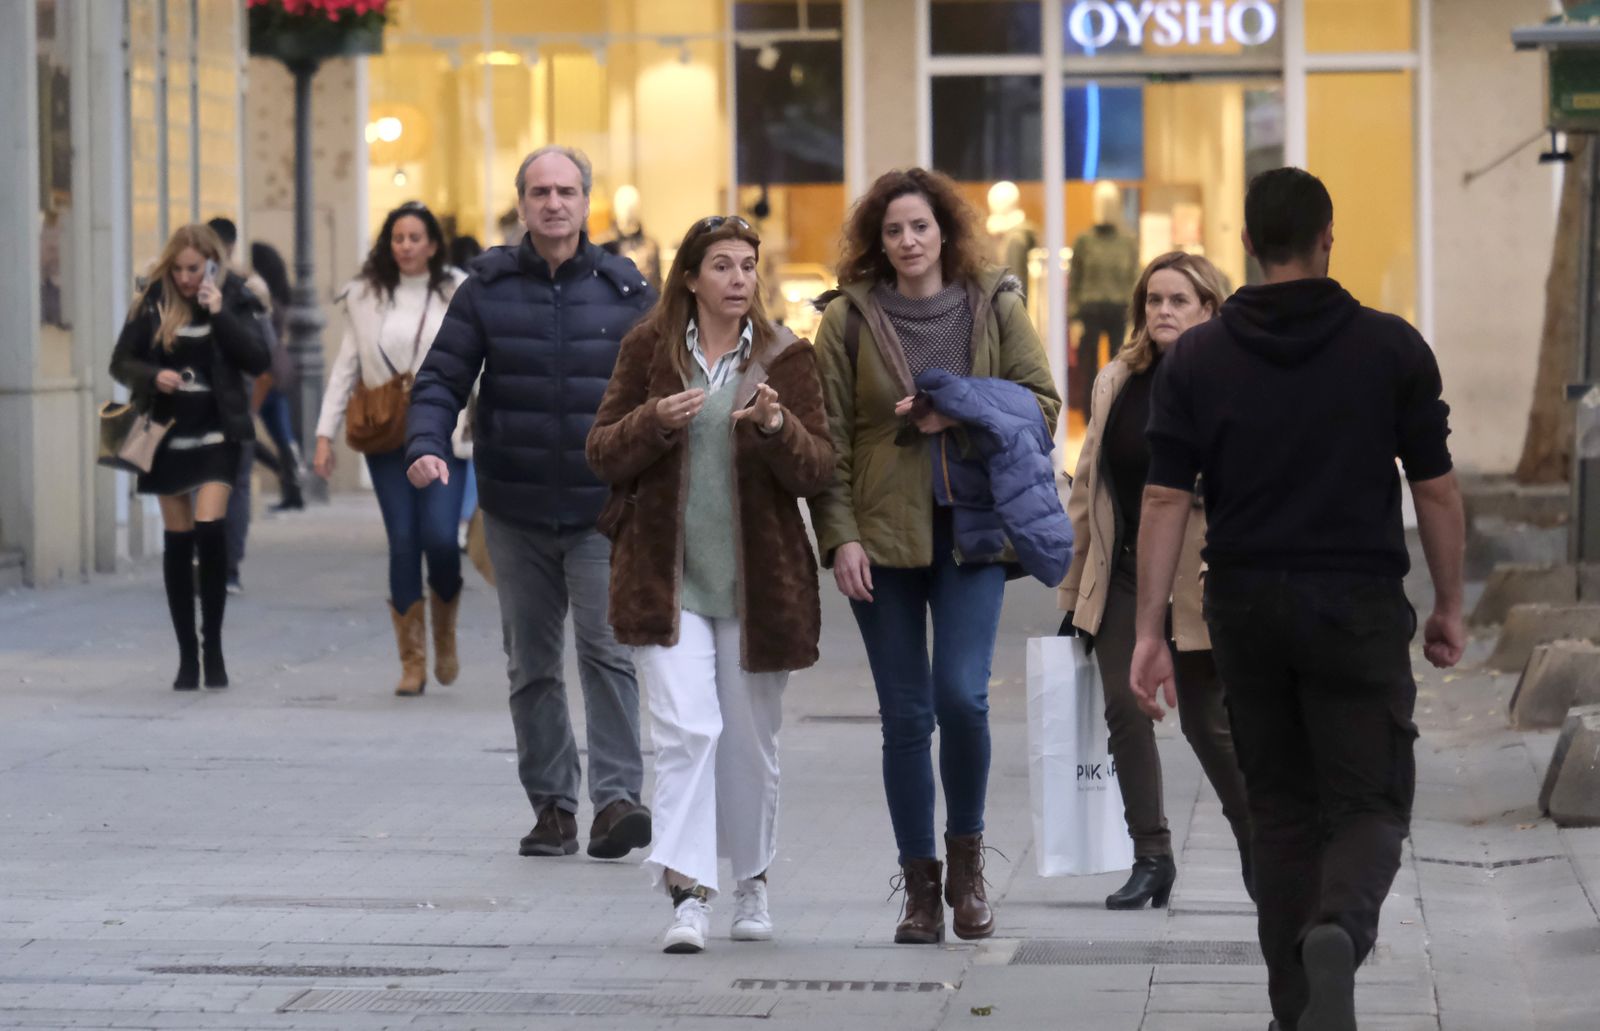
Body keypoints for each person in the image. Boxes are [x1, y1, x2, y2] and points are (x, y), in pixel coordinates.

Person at [1129, 168, 1465, 1031]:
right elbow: (1434, 488)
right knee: (1371, 798)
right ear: (1327, 238)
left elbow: (1163, 499)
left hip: (1245, 607)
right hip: (1356, 605)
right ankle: (1340, 930)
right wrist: (1449, 605)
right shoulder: (1391, 348)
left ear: (1247, 244)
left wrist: (1149, 629)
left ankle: (1296, 1010)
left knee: (1279, 809)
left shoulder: (1197, 358)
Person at [810, 168, 1061, 945]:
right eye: (893, 230)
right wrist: (840, 536)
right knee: (905, 717)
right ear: (877, 241)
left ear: (945, 230)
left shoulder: (995, 302)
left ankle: (968, 868)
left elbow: (1042, 407)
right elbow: (828, 439)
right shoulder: (846, 319)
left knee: (963, 697)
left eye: (920, 226)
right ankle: (920, 887)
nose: (908, 241)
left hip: (972, 531)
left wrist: (955, 410)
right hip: (879, 538)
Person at [587, 214, 834, 954]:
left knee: (748, 744)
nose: (738, 279)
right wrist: (653, 420)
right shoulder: (648, 348)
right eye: (722, 265)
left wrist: (777, 428)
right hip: (666, 582)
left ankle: (752, 880)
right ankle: (688, 893)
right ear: (691, 277)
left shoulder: (786, 356)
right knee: (686, 732)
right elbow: (601, 451)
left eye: (747, 266)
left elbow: (817, 469)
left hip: (758, 589)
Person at [406, 145, 659, 860]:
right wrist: (425, 441)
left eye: (566, 191)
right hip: (514, 509)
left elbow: (666, 385)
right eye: (540, 192)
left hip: (601, 509)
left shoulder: (625, 290)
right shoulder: (486, 289)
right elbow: (440, 379)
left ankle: (617, 800)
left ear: (586, 203)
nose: (553, 203)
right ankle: (553, 806)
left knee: (607, 652)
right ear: (522, 204)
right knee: (532, 664)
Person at [1058, 252, 1252, 911]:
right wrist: (1074, 587)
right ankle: (1151, 855)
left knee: (1207, 722)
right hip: (1123, 574)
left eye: (1179, 300)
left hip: (1200, 579)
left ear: (1209, 308)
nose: (1163, 311)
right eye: (1153, 300)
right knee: (1124, 708)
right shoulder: (1117, 379)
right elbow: (1089, 484)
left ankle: (1262, 846)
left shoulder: (1234, 378)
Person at [313, 202, 468, 697]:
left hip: (445, 431)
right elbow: (346, 367)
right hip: (386, 434)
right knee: (403, 539)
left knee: (440, 538)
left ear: (433, 245)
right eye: (398, 238)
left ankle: (444, 630)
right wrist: (324, 435)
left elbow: (480, 361)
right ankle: (412, 661)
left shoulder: (458, 290)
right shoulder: (365, 295)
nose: (405, 246)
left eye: (415, 238)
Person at [111, 224, 270, 689]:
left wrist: (219, 313)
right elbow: (120, 362)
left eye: (193, 269)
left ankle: (213, 648)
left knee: (210, 530)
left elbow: (258, 359)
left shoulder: (234, 296)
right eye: (178, 269)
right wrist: (152, 376)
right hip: (166, 438)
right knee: (178, 544)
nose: (184, 278)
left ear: (212, 265)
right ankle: (187, 657)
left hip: (218, 434)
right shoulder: (153, 300)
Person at [208, 217, 274, 594]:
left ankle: (225, 565)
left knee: (230, 482)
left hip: (232, 399)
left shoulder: (245, 288)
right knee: (232, 483)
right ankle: (225, 566)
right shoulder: (246, 286)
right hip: (229, 399)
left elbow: (262, 353)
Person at [248, 241, 305, 512]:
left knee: (244, 428)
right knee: (282, 434)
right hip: (278, 371)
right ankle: (292, 488)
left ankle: (285, 476)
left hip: (263, 373)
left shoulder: (262, 296)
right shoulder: (280, 294)